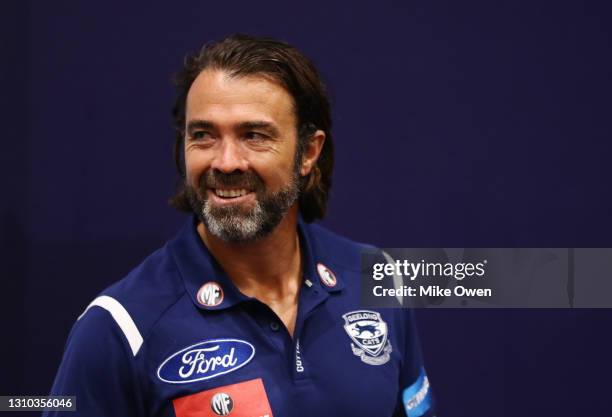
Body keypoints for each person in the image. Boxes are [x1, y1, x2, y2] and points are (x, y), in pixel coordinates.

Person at [45, 34, 435, 417]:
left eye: (253, 135)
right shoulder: (119, 326)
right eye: (203, 135)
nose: (226, 161)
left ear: (308, 153)